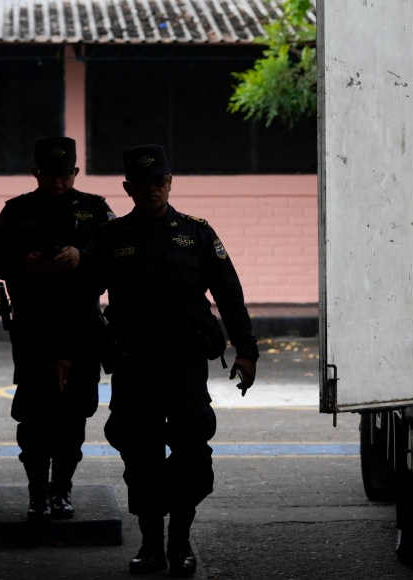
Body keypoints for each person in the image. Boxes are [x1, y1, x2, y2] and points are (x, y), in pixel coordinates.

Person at [91, 144, 258, 577]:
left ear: (170, 183)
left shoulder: (197, 232)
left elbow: (229, 293)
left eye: (159, 182)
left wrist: (246, 350)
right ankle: (150, 544)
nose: (152, 190)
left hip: (184, 363)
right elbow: (82, 299)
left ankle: (180, 541)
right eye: (142, 184)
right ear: (128, 188)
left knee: (189, 450)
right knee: (139, 453)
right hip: (133, 364)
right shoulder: (111, 238)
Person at [0, 136, 114, 521]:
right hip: (34, 328)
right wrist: (25, 264)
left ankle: (62, 490)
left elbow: (118, 255)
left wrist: (82, 256)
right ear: (36, 173)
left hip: (83, 328)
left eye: (64, 173)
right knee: (35, 416)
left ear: (75, 172)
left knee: (74, 415)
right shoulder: (17, 211)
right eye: (48, 174)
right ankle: (37, 492)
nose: (57, 181)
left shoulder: (94, 209)